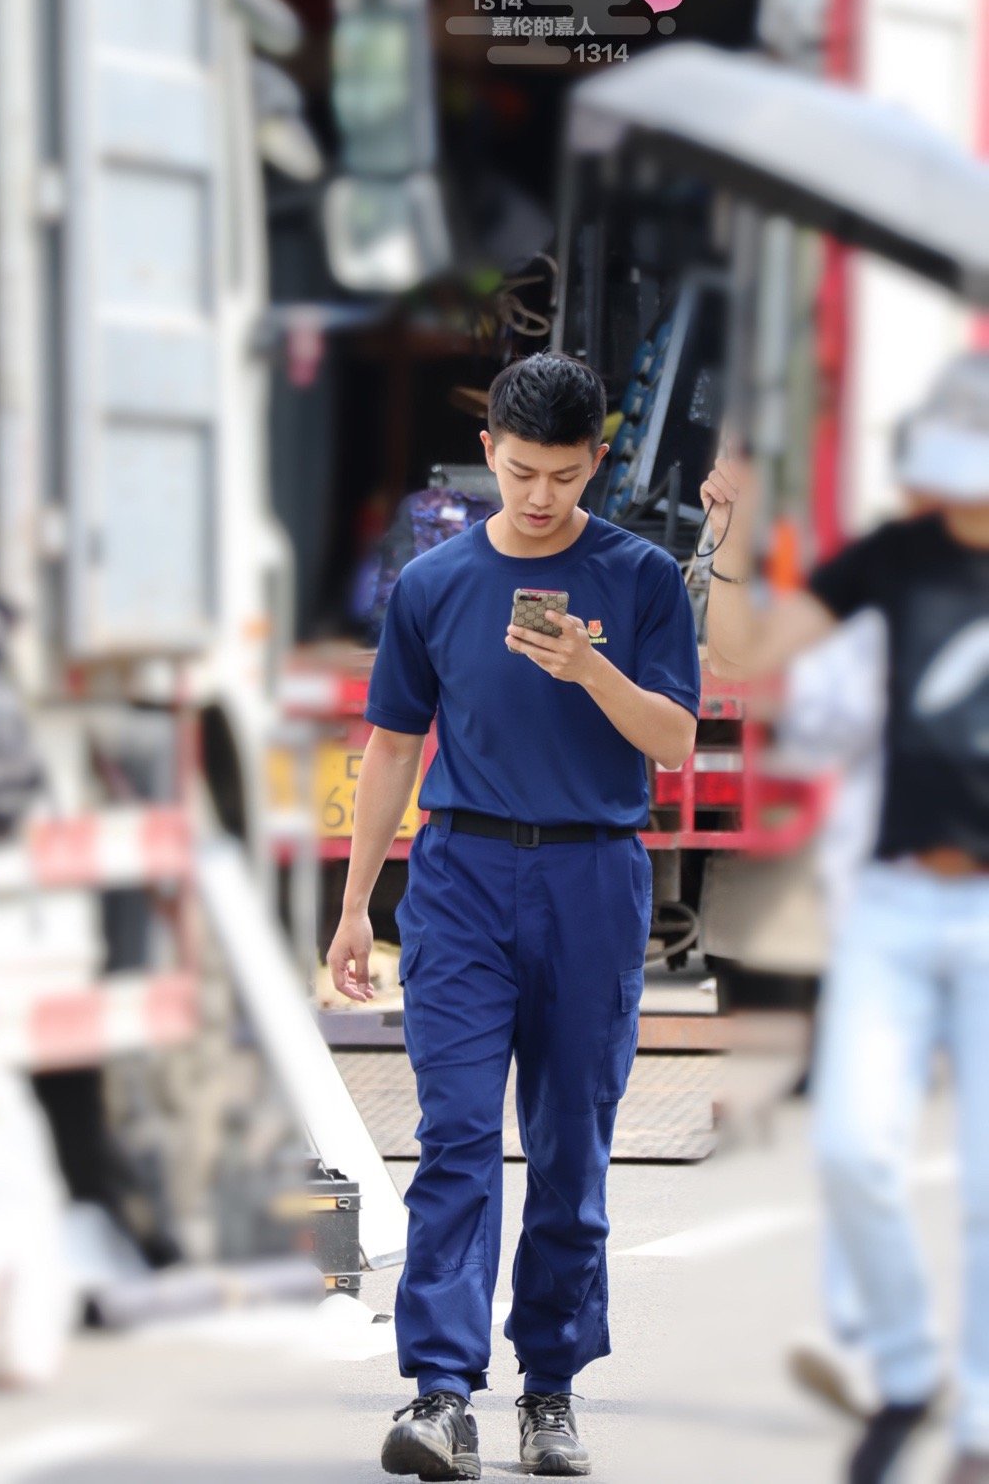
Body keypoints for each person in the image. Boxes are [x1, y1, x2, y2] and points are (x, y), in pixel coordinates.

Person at [327, 350, 700, 1480]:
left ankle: (550, 1390)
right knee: (453, 1138)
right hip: (462, 879)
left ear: (599, 460)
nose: (540, 497)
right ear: (489, 451)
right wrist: (356, 903)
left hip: (592, 878)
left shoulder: (642, 578)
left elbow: (675, 742)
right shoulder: (433, 585)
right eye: (521, 470)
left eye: (564, 475)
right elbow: (394, 746)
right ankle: (440, 1393)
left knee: (572, 1148)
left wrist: (589, 670)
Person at [700, 352, 989, 1484]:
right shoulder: (891, 559)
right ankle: (908, 1371)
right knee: (855, 1147)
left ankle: (977, 1424)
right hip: (892, 903)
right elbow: (749, 658)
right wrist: (731, 538)